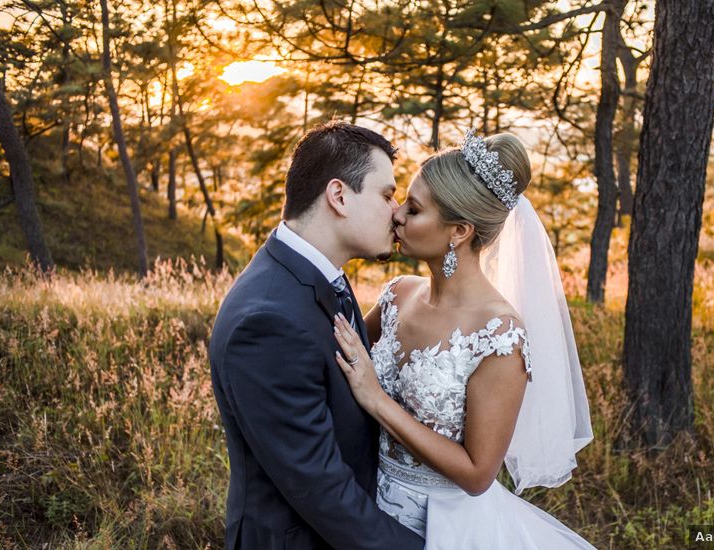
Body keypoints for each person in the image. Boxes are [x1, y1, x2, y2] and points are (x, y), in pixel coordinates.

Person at [333, 128, 595, 549]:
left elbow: (477, 473)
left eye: (413, 210)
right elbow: (341, 359)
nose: (396, 215)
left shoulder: (499, 335)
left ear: (459, 231)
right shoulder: (397, 295)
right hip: (363, 500)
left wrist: (376, 400)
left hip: (444, 525)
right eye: (402, 201)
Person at [209, 121, 425, 549]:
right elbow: (322, 491)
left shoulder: (317, 276)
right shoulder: (267, 322)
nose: (397, 212)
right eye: (386, 195)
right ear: (339, 196)